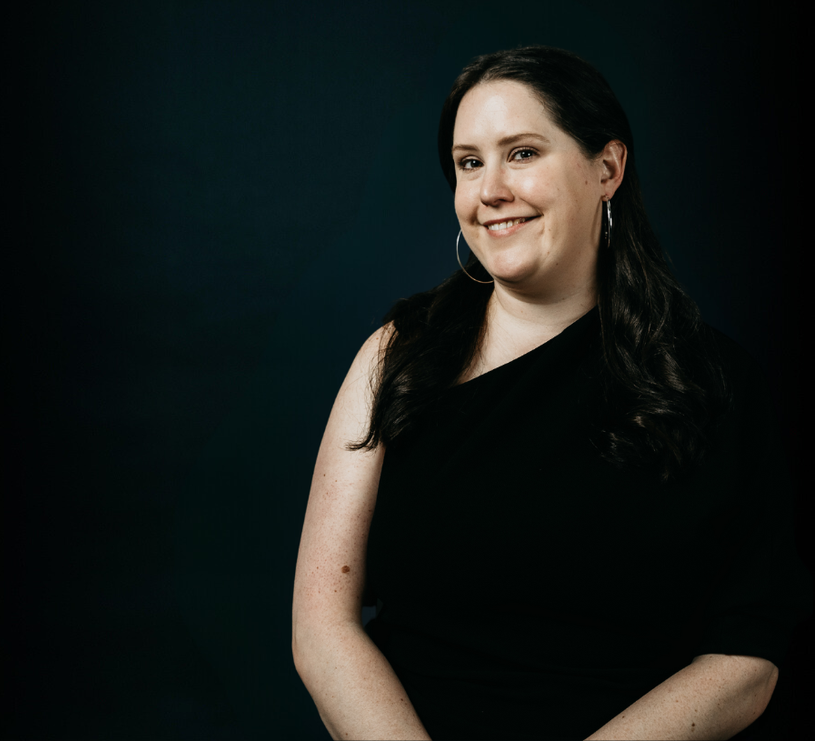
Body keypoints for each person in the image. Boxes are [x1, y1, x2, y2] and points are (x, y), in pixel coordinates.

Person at [291, 46, 811, 740]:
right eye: (468, 162)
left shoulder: (714, 382)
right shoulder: (397, 356)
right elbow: (322, 625)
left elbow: (747, 658)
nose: (489, 190)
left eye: (522, 153)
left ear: (606, 169)